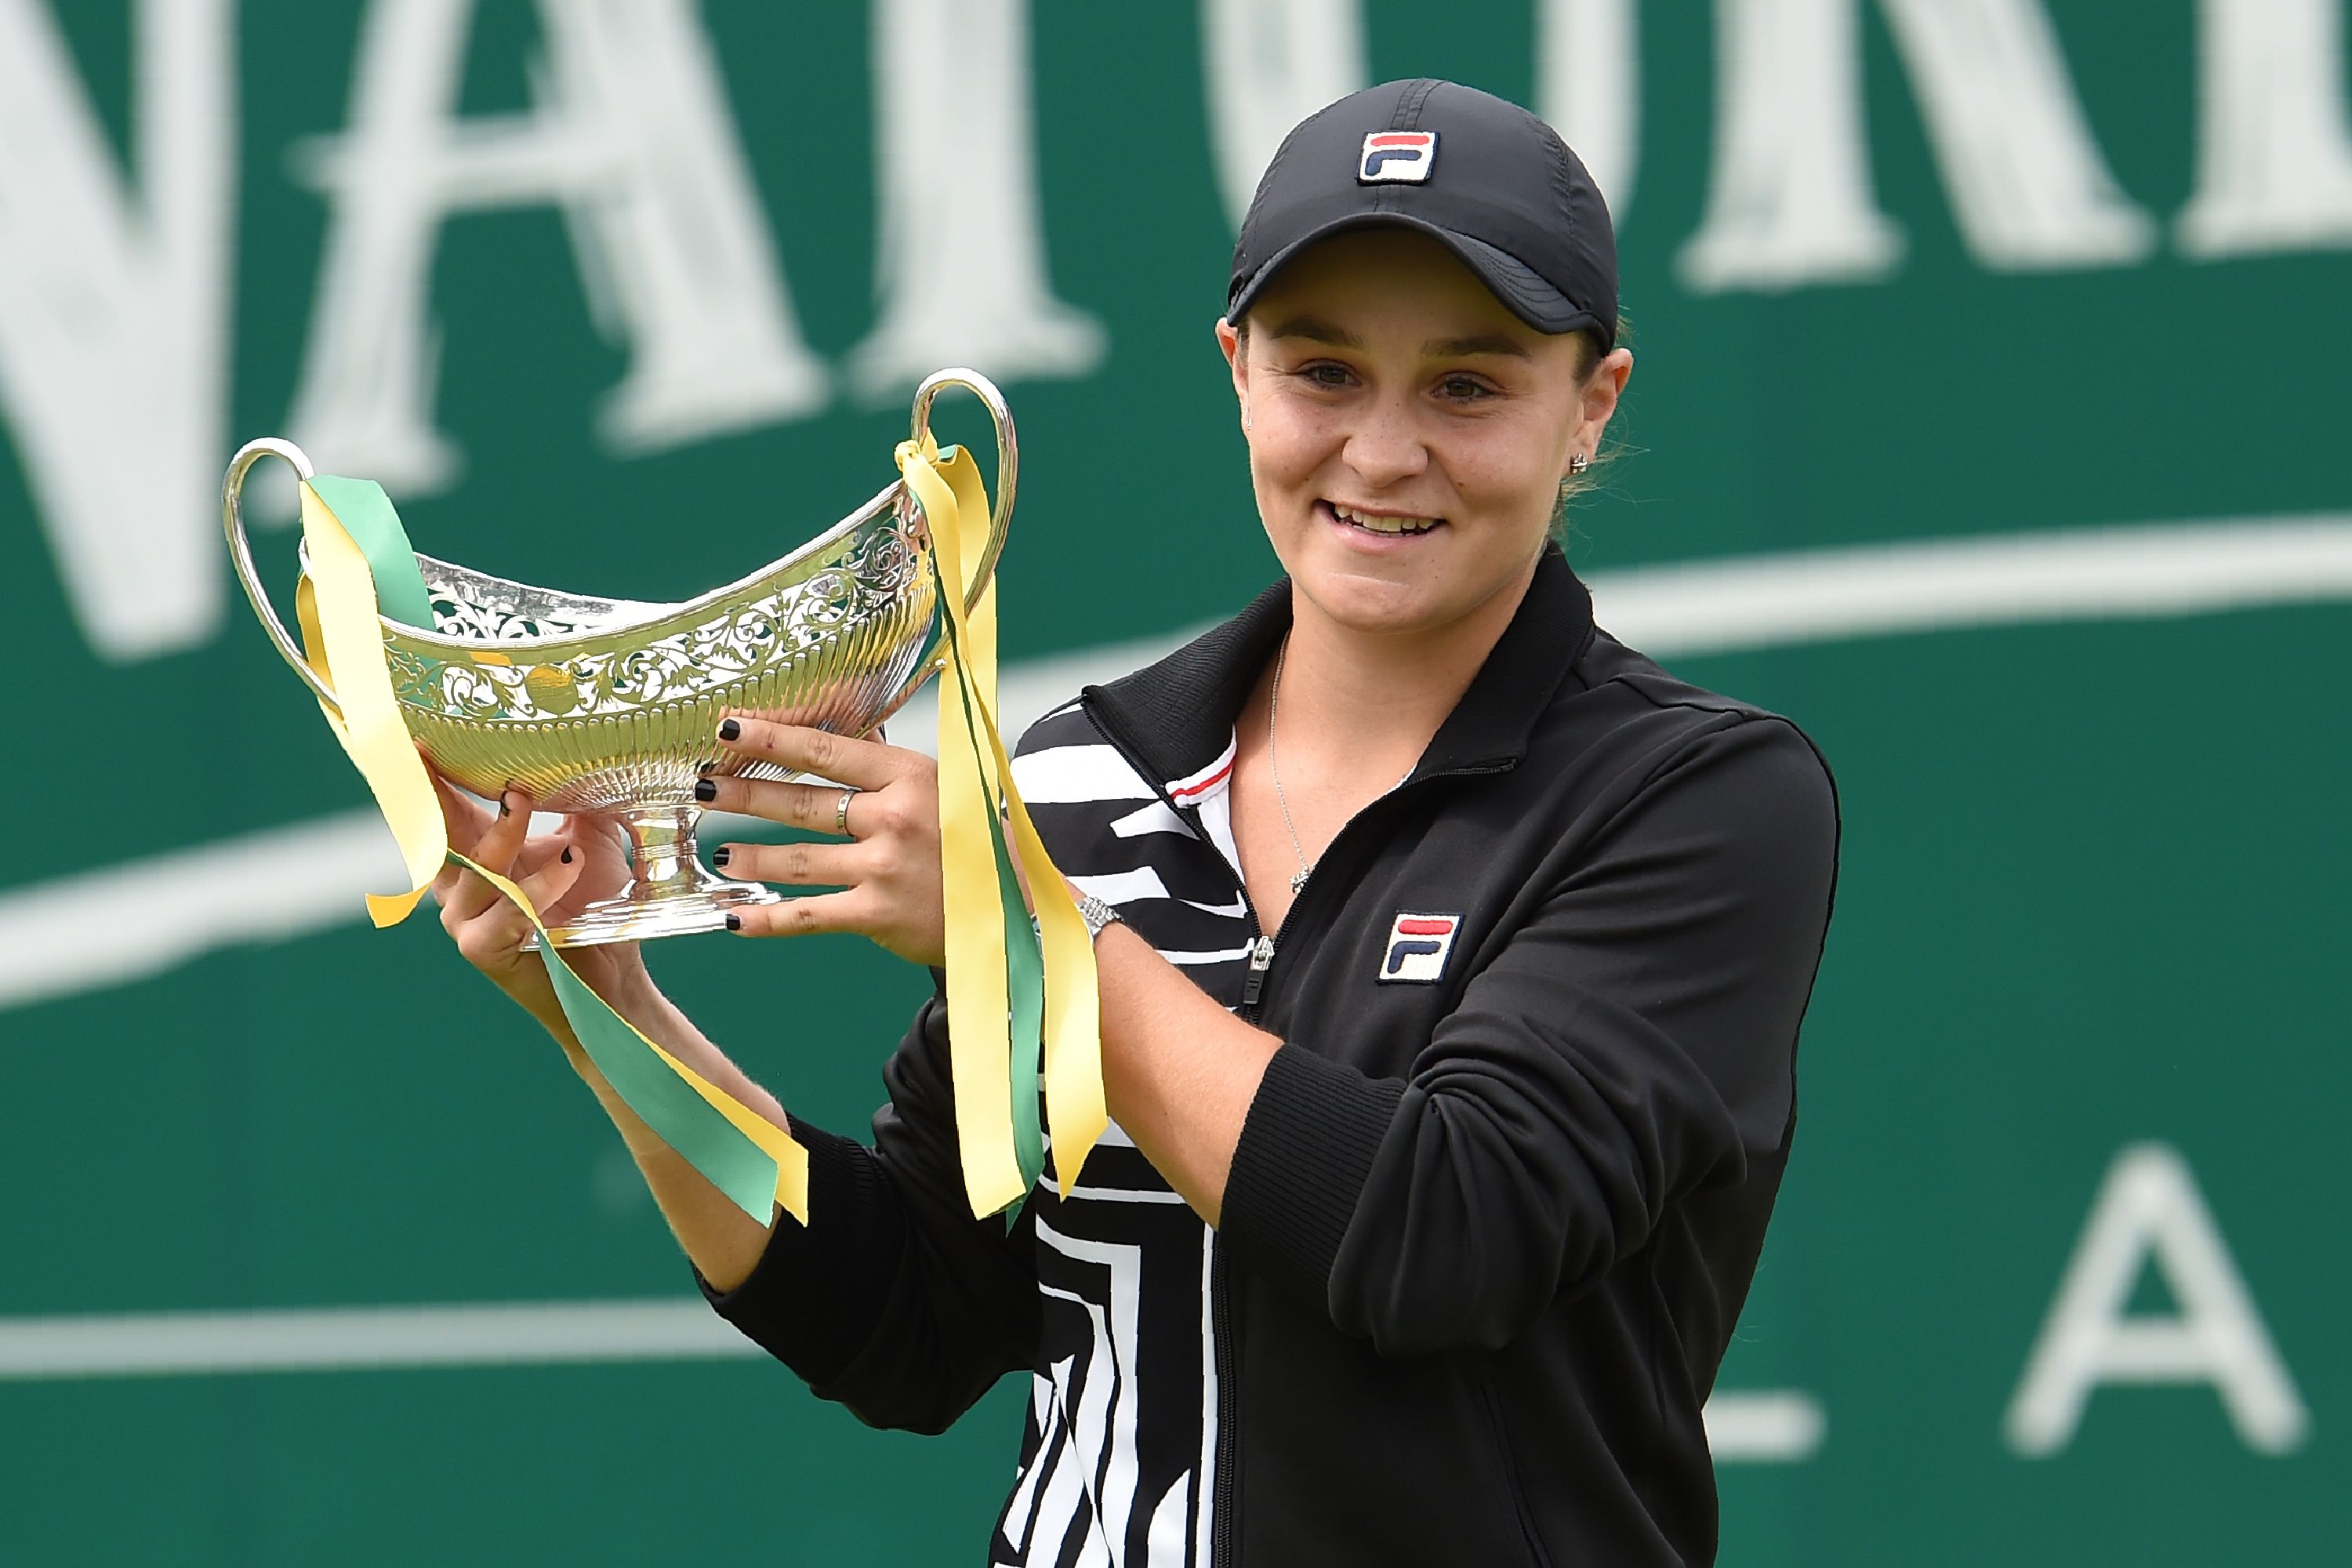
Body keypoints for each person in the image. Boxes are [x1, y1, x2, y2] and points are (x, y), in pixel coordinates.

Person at [430, 78, 1838, 1567]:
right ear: (1238, 372)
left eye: (1467, 387)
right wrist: (604, 1004)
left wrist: (1035, 931)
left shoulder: (1697, 798)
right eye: (1324, 372)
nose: (1380, 453)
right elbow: (904, 1318)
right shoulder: (1080, 781)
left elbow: (1442, 1235)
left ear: (1592, 403)